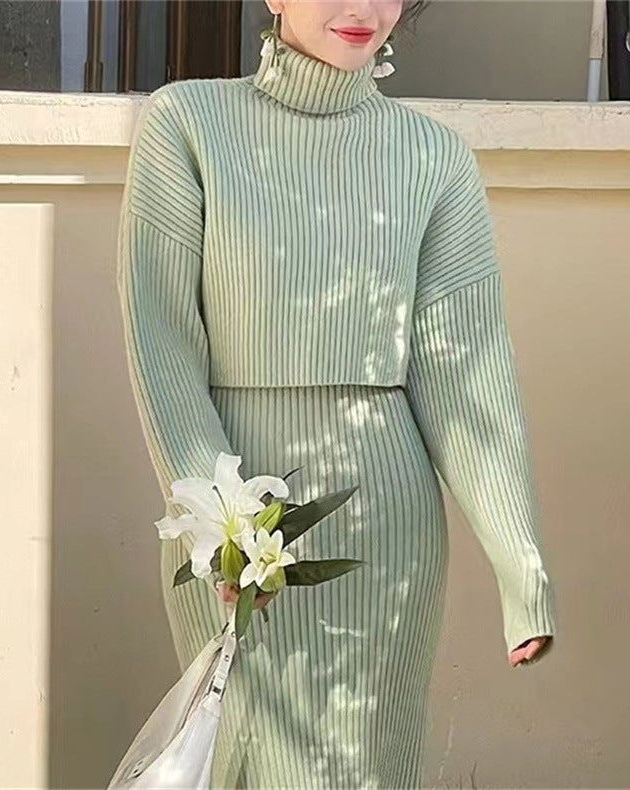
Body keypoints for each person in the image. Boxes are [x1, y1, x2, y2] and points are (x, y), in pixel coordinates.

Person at [116, 1, 557, 787]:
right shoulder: (187, 124)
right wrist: (222, 529)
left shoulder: (434, 158)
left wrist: (520, 567)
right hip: (235, 524)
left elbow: (466, 373)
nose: (362, 8)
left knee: (366, 769)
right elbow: (164, 340)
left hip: (387, 525)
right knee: (241, 757)